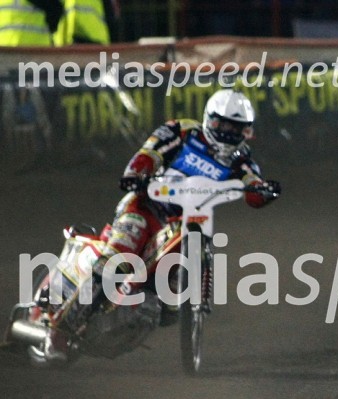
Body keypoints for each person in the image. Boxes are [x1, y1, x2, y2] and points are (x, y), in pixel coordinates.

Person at [54, 89, 280, 338]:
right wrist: (136, 174)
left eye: (236, 128)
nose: (228, 133)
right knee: (121, 256)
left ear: (246, 131)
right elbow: (149, 153)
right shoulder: (183, 132)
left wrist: (263, 191)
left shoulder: (241, 158)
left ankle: (148, 304)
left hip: (185, 221)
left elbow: (253, 185)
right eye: (223, 124)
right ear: (210, 118)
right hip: (146, 206)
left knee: (170, 309)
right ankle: (65, 323)